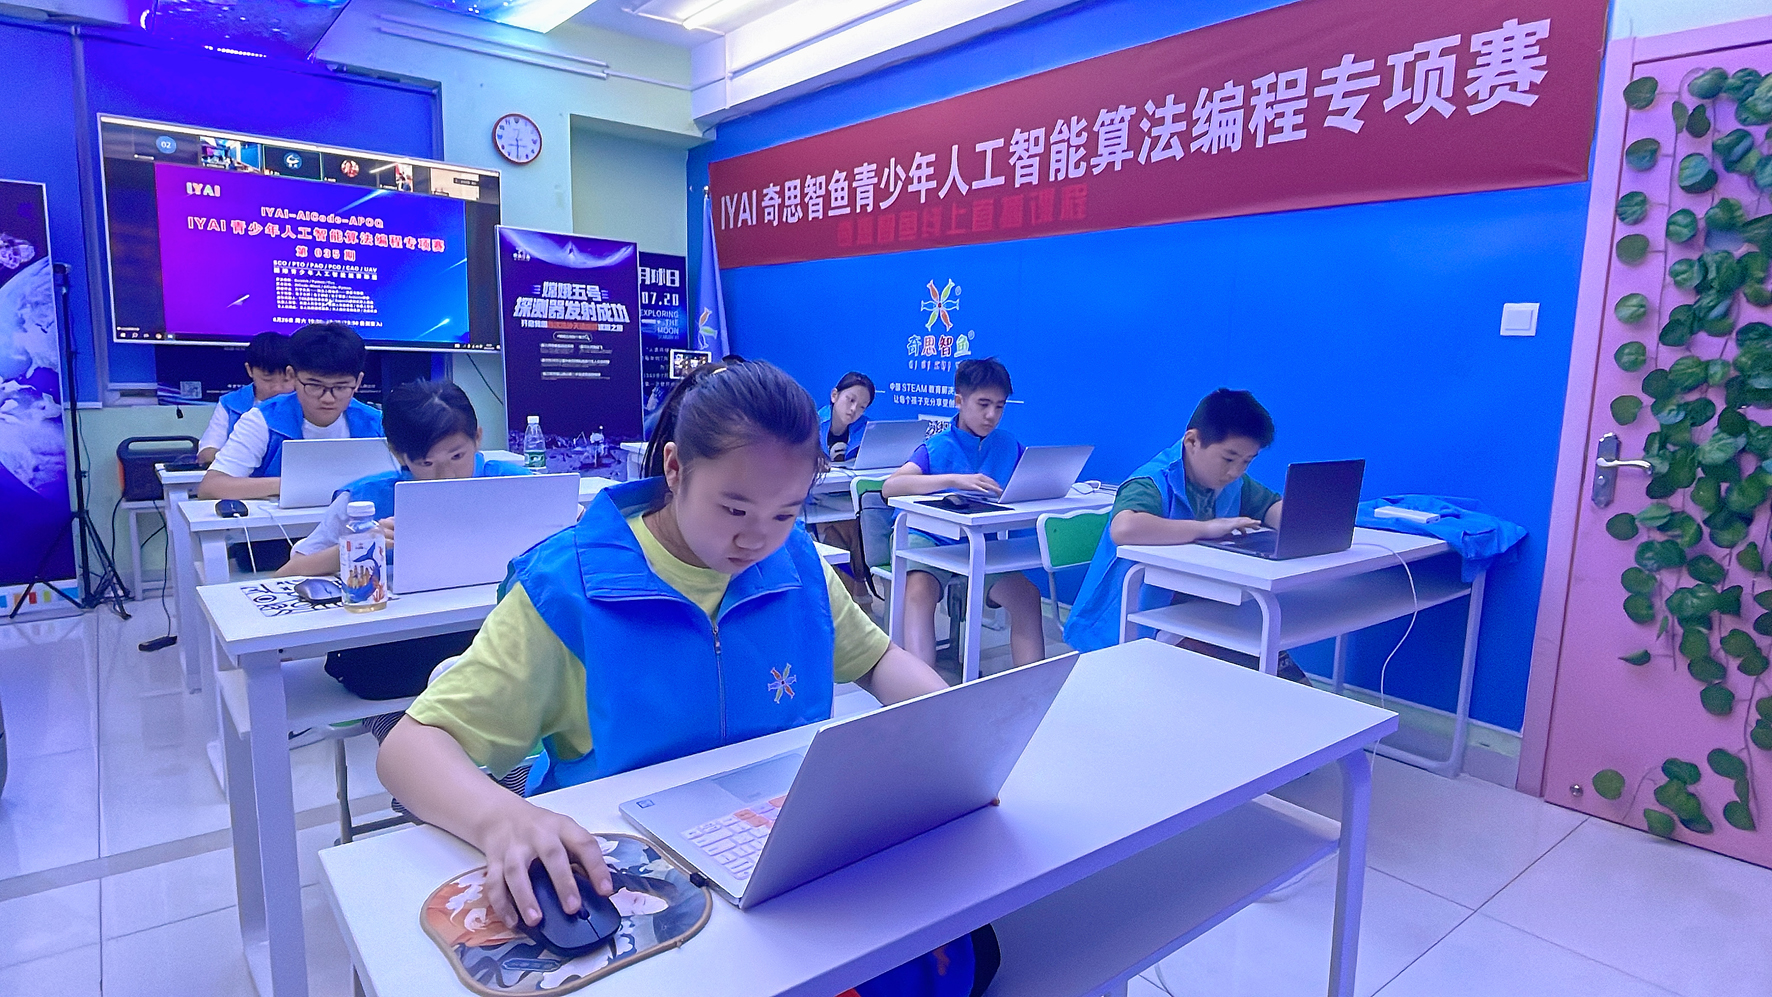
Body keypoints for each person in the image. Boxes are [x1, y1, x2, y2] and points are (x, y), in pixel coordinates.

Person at [376, 361, 957, 942]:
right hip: (626, 875)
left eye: (785, 513)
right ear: (675, 469)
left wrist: (962, 734)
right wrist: (503, 819)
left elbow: (878, 662)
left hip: (776, 855)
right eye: (734, 509)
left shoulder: (796, 565)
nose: (757, 538)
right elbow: (407, 750)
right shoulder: (568, 588)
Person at [276, 379, 529, 704]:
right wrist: (362, 544)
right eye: (426, 463)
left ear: (477, 437)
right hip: (400, 644)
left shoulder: (517, 484)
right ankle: (391, 727)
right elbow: (289, 573)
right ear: (399, 455)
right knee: (392, 686)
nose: (446, 475)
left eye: (457, 456)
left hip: (495, 626)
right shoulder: (365, 498)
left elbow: (574, 529)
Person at [1062, 388, 1307, 682]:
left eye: (1247, 461)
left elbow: (1270, 507)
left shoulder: (1234, 483)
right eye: (1229, 458)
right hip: (1137, 615)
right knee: (1236, 677)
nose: (1235, 472)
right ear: (1192, 441)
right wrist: (1205, 528)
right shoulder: (1152, 480)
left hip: (1199, 609)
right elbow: (1125, 528)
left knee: (1275, 666)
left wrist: (1304, 525)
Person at [881, 357, 1046, 669]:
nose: (991, 415)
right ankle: (922, 689)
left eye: (999, 406)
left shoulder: (1007, 444)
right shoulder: (937, 446)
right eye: (983, 404)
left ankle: (1035, 688)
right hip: (926, 538)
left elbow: (1033, 477)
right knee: (918, 592)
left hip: (979, 543)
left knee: (1027, 596)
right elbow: (891, 487)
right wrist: (954, 480)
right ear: (959, 401)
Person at [198, 322, 383, 500]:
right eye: (315, 386)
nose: (328, 398)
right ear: (292, 376)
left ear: (358, 382)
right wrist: (292, 484)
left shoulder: (375, 423)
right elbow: (212, 486)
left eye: (340, 387)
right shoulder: (263, 419)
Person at [196, 331, 293, 465]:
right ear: (249, 370)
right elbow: (206, 453)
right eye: (268, 379)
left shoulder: (305, 402)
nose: (277, 388)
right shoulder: (230, 404)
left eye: (286, 380)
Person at [819, 371, 875, 463]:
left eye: (862, 407)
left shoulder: (869, 430)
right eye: (851, 400)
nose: (854, 409)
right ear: (834, 395)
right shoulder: (810, 425)